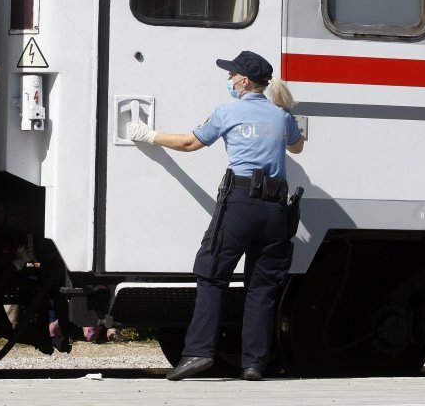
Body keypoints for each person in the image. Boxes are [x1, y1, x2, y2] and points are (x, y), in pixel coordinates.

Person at [129, 51, 304, 381]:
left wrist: (149, 135)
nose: (228, 80)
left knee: (212, 276)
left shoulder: (228, 112)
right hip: (275, 212)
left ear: (243, 80)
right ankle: (253, 363)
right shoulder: (281, 115)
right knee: (262, 287)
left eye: (231, 75)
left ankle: (198, 353)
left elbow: (188, 144)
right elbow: (297, 148)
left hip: (240, 205)